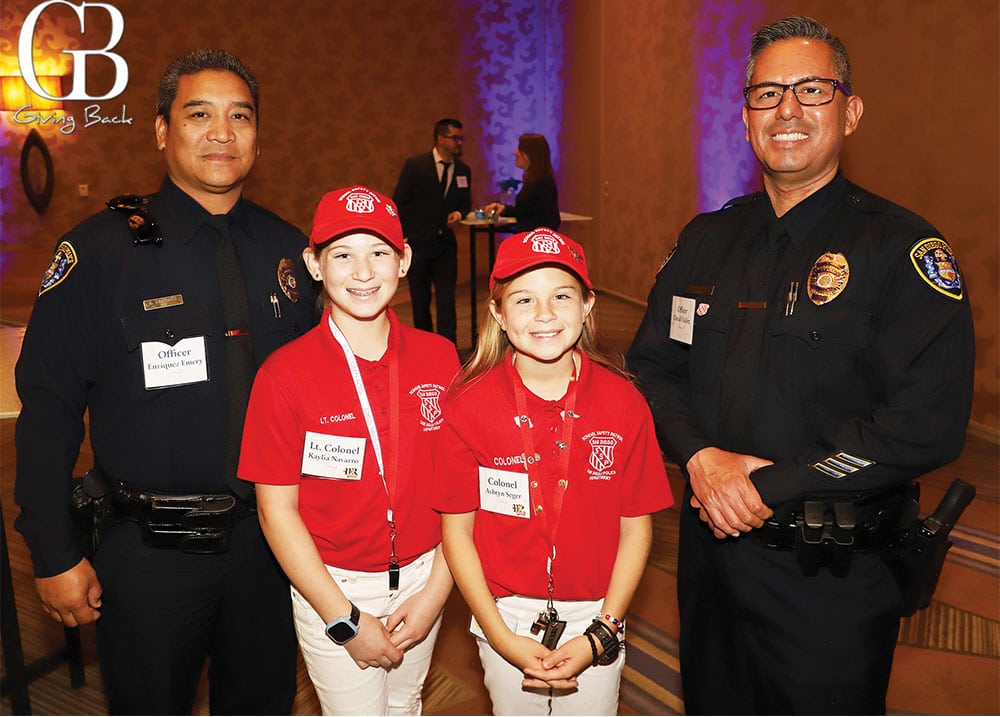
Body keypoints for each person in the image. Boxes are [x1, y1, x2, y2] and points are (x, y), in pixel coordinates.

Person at [626, 16, 975, 715]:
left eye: (811, 89)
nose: (786, 110)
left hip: (831, 574)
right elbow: (654, 367)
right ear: (746, 115)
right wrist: (699, 458)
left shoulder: (902, 251)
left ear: (850, 111)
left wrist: (770, 485)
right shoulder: (706, 239)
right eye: (766, 93)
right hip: (710, 561)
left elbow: (924, 425)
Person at [13, 49, 317, 715]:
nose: (222, 132)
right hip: (149, 555)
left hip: (271, 548)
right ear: (161, 130)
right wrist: (53, 551)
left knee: (263, 705)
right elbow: (48, 408)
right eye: (199, 114)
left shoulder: (290, 252)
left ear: (258, 136)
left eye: (240, 116)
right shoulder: (99, 252)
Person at [238, 186, 460, 715]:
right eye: (342, 254)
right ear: (313, 265)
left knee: (406, 705)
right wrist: (344, 618)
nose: (363, 272)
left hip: (426, 576)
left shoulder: (441, 357)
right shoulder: (283, 375)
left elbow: (462, 491)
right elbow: (276, 512)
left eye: (379, 252)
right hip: (333, 587)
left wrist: (435, 595)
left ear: (404, 259)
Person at [434, 228, 674, 715]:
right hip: (503, 612)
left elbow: (636, 530)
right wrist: (501, 635)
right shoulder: (466, 406)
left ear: (587, 305)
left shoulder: (625, 403)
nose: (544, 316)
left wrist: (602, 631)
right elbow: (456, 534)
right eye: (523, 300)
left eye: (561, 296)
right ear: (498, 314)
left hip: (598, 613)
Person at [392, 118, 472, 344]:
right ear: (440, 138)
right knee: (420, 301)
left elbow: (465, 204)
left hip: (445, 246)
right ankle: (424, 347)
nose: (459, 142)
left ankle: (449, 348)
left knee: (447, 301)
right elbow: (400, 202)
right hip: (419, 244)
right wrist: (406, 237)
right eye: (455, 138)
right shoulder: (416, 165)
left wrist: (459, 213)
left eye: (461, 138)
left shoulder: (463, 170)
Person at [484, 133, 560, 233]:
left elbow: (543, 218)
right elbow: (525, 211)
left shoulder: (542, 182)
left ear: (531, 154)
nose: (515, 153)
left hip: (533, 242)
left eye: (520, 149)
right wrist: (503, 209)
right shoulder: (536, 180)